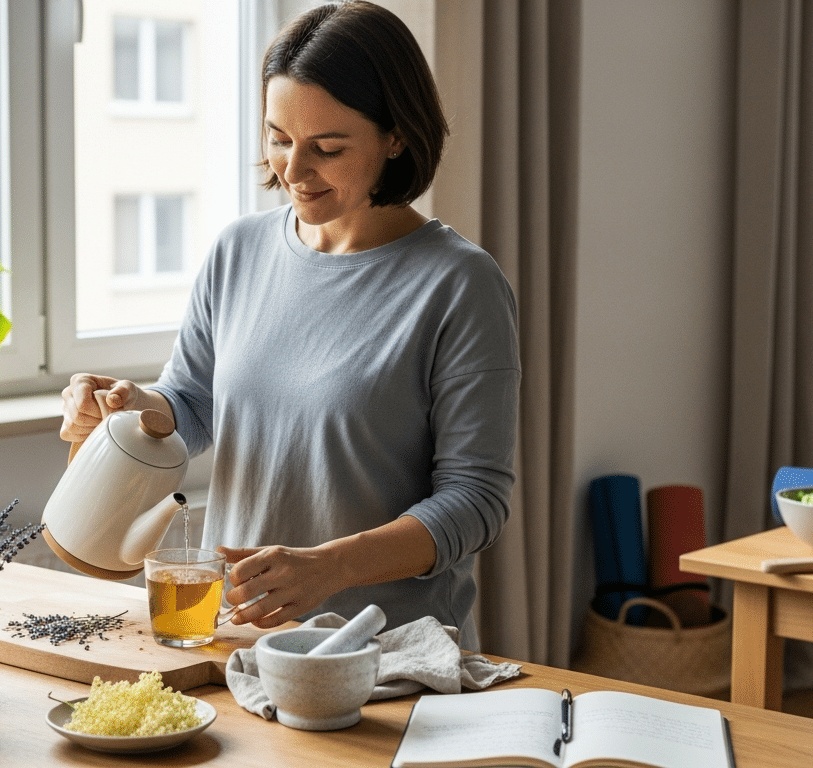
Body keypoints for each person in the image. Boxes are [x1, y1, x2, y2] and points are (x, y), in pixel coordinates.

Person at [60, 0, 518, 650]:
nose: (293, 172)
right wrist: (139, 409)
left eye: (327, 148)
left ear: (396, 136)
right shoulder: (239, 251)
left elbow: (476, 501)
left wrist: (331, 567)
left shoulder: (460, 285)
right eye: (279, 138)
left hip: (386, 657)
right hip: (242, 645)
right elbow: (193, 406)